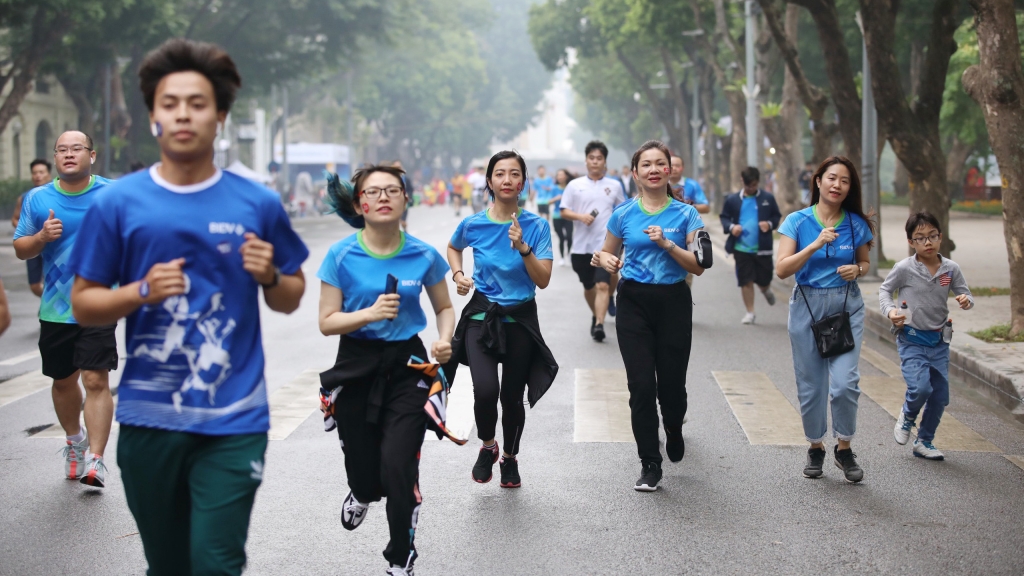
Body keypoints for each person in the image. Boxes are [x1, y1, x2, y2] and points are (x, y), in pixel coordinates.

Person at [69, 38, 309, 574]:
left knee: (217, 562)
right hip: (150, 420)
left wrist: (269, 274)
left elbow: (292, 296)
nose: (183, 114)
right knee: (169, 565)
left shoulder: (257, 203)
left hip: (235, 418)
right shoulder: (118, 203)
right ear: (154, 114)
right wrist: (142, 291)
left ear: (219, 116)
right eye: (170, 103)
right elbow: (84, 304)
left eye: (197, 104)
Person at [317, 165, 454, 576]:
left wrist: (445, 339)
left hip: (408, 366)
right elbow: (326, 321)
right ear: (360, 203)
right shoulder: (341, 255)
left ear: (405, 199)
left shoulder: (422, 254)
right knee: (364, 468)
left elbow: (444, 308)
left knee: (398, 466)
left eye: (392, 190)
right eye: (373, 191)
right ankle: (360, 491)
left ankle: (400, 556)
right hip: (356, 364)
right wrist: (368, 313)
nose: (383, 197)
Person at [592, 140, 711, 491]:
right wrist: (607, 262)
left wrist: (668, 244)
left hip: (673, 301)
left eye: (661, 163)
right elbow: (604, 256)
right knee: (641, 386)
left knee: (671, 387)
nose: (654, 169)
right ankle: (649, 462)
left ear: (669, 170)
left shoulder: (686, 214)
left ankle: (673, 426)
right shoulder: (623, 214)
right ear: (635, 173)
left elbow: (699, 267)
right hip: (634, 302)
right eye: (647, 165)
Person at [446, 150, 558, 489]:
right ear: (490, 181)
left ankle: (509, 458)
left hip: (520, 320)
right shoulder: (473, 224)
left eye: (514, 174)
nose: (507, 179)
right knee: (484, 390)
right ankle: (488, 446)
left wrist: (523, 248)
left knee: (511, 397)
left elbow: (543, 279)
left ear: (523, 183)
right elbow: (453, 248)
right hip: (483, 315)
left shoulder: (537, 226)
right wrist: (459, 274)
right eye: (500, 174)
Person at [13, 131, 116, 487]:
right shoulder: (38, 199)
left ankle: (97, 460)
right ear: (55, 157)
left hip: (99, 302)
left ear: (92, 155)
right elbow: (21, 249)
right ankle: (74, 440)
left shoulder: (111, 195)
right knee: (63, 381)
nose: (69, 154)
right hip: (57, 308)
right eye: (62, 150)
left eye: (77, 149)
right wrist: (41, 237)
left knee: (95, 379)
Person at [776, 155, 874, 483]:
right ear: (818, 181)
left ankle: (844, 448)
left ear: (849, 188)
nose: (837, 185)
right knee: (811, 384)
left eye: (844, 181)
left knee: (845, 383)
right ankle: (816, 445)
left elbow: (865, 263)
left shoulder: (855, 224)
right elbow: (782, 269)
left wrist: (857, 269)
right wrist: (816, 244)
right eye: (832, 178)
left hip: (845, 306)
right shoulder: (797, 222)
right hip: (806, 304)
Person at [880, 212, 974, 462]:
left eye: (932, 236)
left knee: (940, 396)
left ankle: (925, 441)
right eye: (920, 238)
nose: (928, 242)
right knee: (920, 388)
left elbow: (965, 293)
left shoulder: (950, 269)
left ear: (941, 237)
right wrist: (890, 311)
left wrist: (966, 300)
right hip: (911, 339)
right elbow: (885, 290)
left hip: (939, 342)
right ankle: (908, 416)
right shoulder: (904, 268)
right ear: (911, 242)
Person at [559, 140, 625, 342]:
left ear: (605, 162)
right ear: (586, 161)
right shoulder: (574, 185)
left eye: (599, 158)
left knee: (603, 286)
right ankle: (596, 313)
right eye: (592, 158)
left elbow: (622, 211)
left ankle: (599, 324)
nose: (595, 162)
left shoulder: (614, 185)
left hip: (605, 245)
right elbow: (563, 210)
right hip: (580, 247)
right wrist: (580, 217)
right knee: (589, 287)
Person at [720, 166, 782, 324]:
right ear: (742, 181)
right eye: (748, 185)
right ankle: (750, 312)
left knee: (764, 279)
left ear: (758, 182)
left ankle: (765, 288)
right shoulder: (733, 200)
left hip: (763, 248)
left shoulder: (767, 198)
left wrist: (769, 224)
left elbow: (776, 216)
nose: (750, 188)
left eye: (753, 185)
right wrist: (732, 227)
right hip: (741, 248)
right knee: (745, 280)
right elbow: (724, 218)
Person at [11, 158, 53, 298]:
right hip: (33, 242)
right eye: (34, 173)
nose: (37, 176)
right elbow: (15, 218)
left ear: (49, 174)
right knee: (35, 285)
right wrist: (27, 228)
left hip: (53, 243)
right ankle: (48, 301)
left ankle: (53, 303)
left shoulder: (57, 195)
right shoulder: (25, 197)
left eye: (41, 172)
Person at [550, 168, 574, 267]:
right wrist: (557, 198)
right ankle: (562, 258)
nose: (560, 177)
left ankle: (568, 253)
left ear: (566, 176)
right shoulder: (554, 188)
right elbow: (549, 201)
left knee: (569, 237)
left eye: (561, 175)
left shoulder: (571, 188)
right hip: (557, 216)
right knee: (561, 238)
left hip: (569, 216)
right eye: (558, 175)